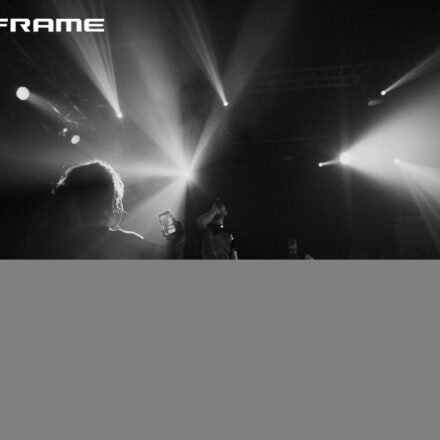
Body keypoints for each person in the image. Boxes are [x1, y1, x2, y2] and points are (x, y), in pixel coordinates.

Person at [33, 160, 183, 259]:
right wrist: (173, 233)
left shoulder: (49, 245)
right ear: (113, 201)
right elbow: (170, 257)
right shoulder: (127, 243)